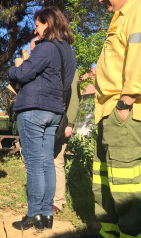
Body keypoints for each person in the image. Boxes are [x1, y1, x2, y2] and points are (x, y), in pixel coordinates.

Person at [88, 0, 141, 237]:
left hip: (126, 111)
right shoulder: (122, 16)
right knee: (104, 184)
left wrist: (125, 103)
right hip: (112, 113)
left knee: (127, 192)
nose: (100, 1)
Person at [8, 6, 77, 230]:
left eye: (37, 25)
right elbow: (65, 84)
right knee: (47, 162)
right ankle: (47, 215)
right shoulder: (68, 50)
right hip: (55, 111)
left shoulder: (45, 48)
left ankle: (33, 214)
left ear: (47, 23)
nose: (35, 29)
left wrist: (12, 69)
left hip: (34, 109)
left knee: (35, 165)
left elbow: (22, 73)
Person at [53, 69, 80, 214]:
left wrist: (69, 124)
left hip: (62, 122)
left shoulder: (70, 68)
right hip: (47, 120)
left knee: (57, 161)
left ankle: (58, 201)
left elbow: (75, 97)